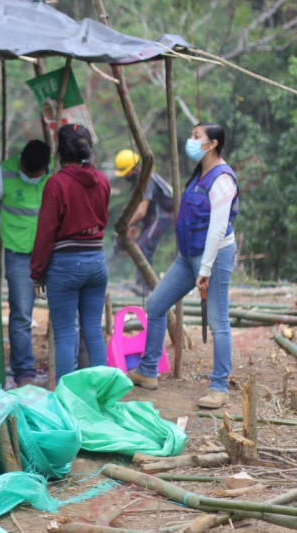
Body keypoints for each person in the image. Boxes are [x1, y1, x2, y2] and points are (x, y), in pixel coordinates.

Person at [127, 122, 238, 409]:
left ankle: (219, 386)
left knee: (218, 321)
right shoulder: (199, 174)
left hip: (214, 256)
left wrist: (205, 269)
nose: (190, 141)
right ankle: (148, 370)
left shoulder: (223, 179)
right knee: (155, 305)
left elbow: (217, 229)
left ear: (212, 143)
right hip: (187, 256)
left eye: (196, 137)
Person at [30, 124, 110, 382]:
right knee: (93, 330)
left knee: (65, 333)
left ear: (59, 152)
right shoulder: (103, 181)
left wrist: (37, 274)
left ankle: (67, 400)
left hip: (65, 266)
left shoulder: (56, 184)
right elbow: (103, 221)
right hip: (97, 262)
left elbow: (45, 233)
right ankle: (101, 394)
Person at [0, 140, 51, 387]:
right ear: (20, 163)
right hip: (19, 255)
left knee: (65, 314)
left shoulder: (54, 178)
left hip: (52, 252)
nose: (31, 177)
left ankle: (63, 369)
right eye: (27, 173)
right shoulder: (1, 174)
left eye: (36, 175)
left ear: (45, 169)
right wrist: (7, 220)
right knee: (20, 316)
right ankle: (24, 373)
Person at [114, 149, 175, 293]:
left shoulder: (147, 180)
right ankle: (141, 283)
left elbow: (141, 211)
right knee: (140, 246)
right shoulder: (139, 182)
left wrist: (124, 225)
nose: (125, 177)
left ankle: (146, 286)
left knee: (143, 245)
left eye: (126, 173)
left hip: (161, 217)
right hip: (152, 218)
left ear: (134, 168)